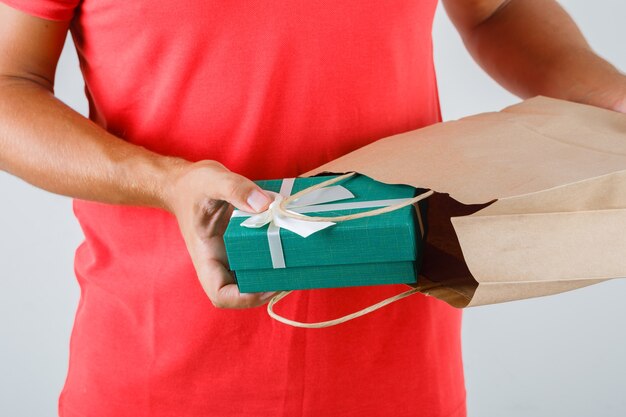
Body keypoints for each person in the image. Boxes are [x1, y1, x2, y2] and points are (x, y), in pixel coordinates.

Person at [0, 0, 624, 416]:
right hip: (163, 368)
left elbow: (494, 11)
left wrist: (608, 96)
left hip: (400, 362)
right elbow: (8, 82)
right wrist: (163, 181)